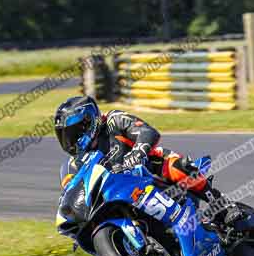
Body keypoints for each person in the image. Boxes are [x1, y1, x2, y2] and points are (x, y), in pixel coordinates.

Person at [53, 95, 243, 229]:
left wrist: (137, 153)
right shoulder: (72, 165)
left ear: (89, 121)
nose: (73, 141)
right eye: (66, 137)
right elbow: (69, 191)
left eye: (75, 134)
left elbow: (147, 132)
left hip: (150, 171)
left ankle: (222, 205)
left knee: (173, 166)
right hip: (120, 196)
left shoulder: (113, 120)